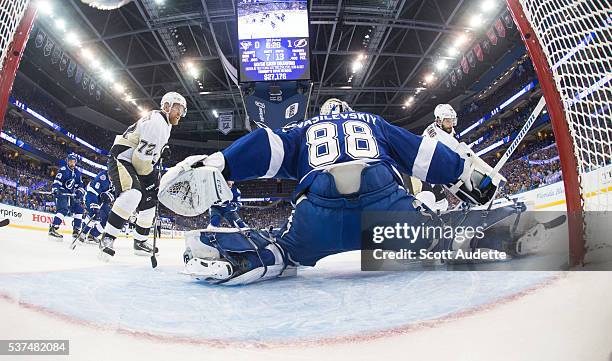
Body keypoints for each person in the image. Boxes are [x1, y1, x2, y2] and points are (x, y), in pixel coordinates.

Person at [163, 97, 503, 285]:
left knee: (288, 249)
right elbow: (424, 156)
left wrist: (222, 161)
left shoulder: (301, 129)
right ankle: (468, 237)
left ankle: (256, 255)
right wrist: (471, 177)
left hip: (318, 210)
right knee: (429, 233)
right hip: (382, 202)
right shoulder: (373, 122)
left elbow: (266, 144)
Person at [99, 91, 186, 258]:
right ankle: (107, 238)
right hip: (123, 158)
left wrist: (161, 152)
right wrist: (152, 179)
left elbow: (146, 155)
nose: (180, 114)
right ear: (166, 107)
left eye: (183, 111)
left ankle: (140, 241)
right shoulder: (157, 124)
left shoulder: (164, 123)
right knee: (133, 194)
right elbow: (140, 161)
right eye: (178, 109)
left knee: (151, 200)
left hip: (137, 161)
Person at [48, 153, 86, 242]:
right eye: (70, 161)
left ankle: (76, 230)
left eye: (73, 162)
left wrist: (79, 192)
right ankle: (53, 228)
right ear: (67, 162)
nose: (72, 163)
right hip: (62, 192)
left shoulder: (77, 172)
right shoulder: (63, 170)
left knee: (79, 209)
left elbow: (80, 185)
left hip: (72, 193)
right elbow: (57, 181)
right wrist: (55, 189)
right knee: (63, 210)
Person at [79, 170, 114, 244]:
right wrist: (94, 205)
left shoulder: (117, 180)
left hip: (102, 200)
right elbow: (92, 191)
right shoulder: (102, 177)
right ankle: (83, 233)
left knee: (108, 220)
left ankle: (93, 235)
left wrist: (110, 198)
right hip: (91, 195)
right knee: (94, 214)